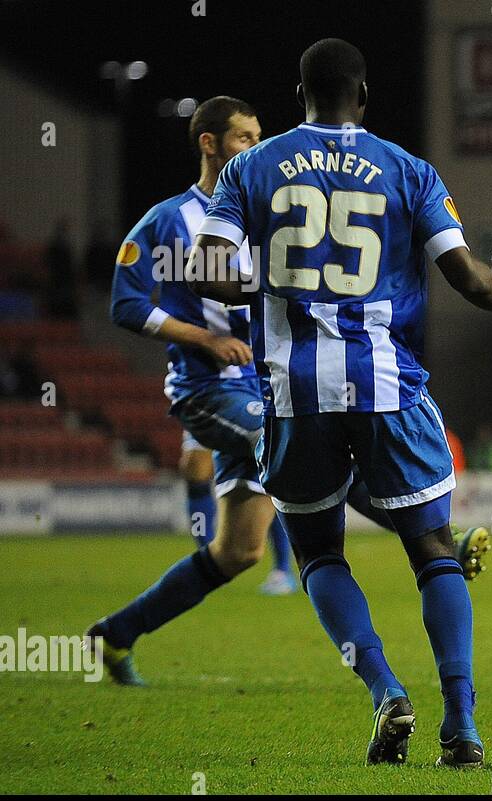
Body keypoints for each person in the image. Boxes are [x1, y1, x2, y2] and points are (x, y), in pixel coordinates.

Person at [188, 39, 492, 767]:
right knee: (434, 552)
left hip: (295, 393)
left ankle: (386, 691)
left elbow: (206, 269)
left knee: (320, 552)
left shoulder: (251, 168)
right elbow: (463, 274)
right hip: (389, 388)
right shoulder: (408, 169)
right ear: (364, 95)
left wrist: (273, 279)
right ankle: (463, 725)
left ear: (299, 94)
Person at [87, 96, 305, 693]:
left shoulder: (271, 220)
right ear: (208, 143)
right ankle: (432, 543)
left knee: (239, 552)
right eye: (242, 137)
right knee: (297, 441)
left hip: (264, 387)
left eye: (260, 137)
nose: (255, 149)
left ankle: (117, 632)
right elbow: (126, 304)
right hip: (208, 390)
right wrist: (203, 338)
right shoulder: (167, 221)